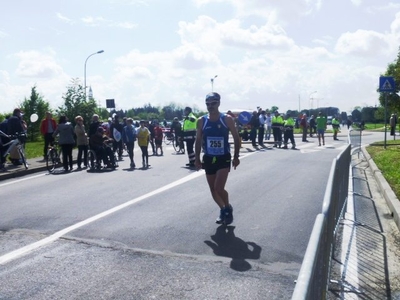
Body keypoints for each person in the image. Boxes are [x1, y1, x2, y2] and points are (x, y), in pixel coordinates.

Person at [194, 92, 240, 225]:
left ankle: (227, 208)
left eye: (213, 104)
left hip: (223, 158)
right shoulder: (201, 120)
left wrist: (236, 156)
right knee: (213, 190)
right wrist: (196, 158)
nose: (210, 107)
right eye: (207, 104)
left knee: (219, 188)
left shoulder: (226, 119)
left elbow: (236, 138)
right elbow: (198, 140)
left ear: (219, 103)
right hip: (209, 158)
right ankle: (224, 209)